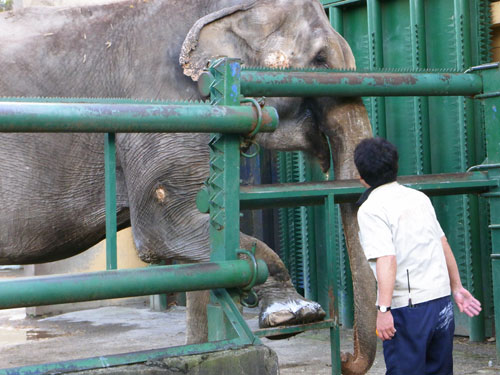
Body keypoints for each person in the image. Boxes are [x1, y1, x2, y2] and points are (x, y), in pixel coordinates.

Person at [353, 137, 482, 375]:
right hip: (441, 303)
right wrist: (457, 287)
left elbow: (386, 259)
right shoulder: (419, 198)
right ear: (396, 166)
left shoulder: (371, 209)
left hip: (409, 309)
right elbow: (442, 243)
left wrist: (383, 311)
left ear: (361, 176)